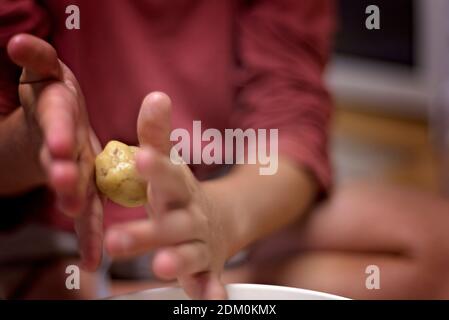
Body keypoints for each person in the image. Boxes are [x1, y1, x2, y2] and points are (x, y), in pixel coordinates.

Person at [1, 0, 447, 300]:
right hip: (58, 224)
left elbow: (292, 121)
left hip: (226, 191)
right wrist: (36, 140)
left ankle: (166, 292)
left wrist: (220, 219)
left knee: (436, 244)